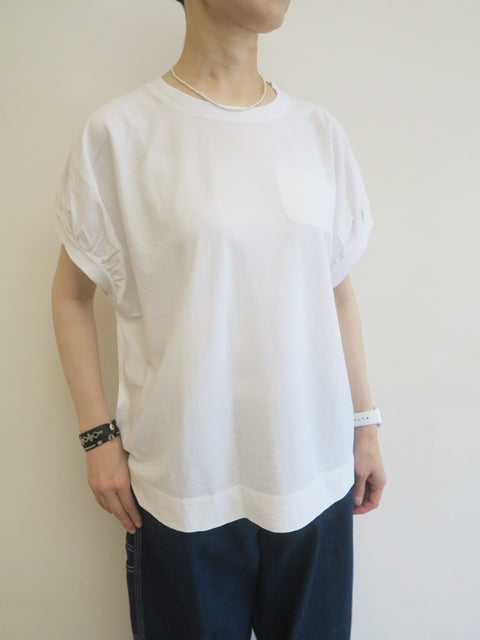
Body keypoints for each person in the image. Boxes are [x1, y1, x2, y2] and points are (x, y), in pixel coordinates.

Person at [51, 0, 387, 638]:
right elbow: (70, 296)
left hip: (314, 480)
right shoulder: (120, 135)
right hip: (184, 489)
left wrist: (365, 425)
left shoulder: (317, 133)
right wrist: (98, 439)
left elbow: (337, 294)